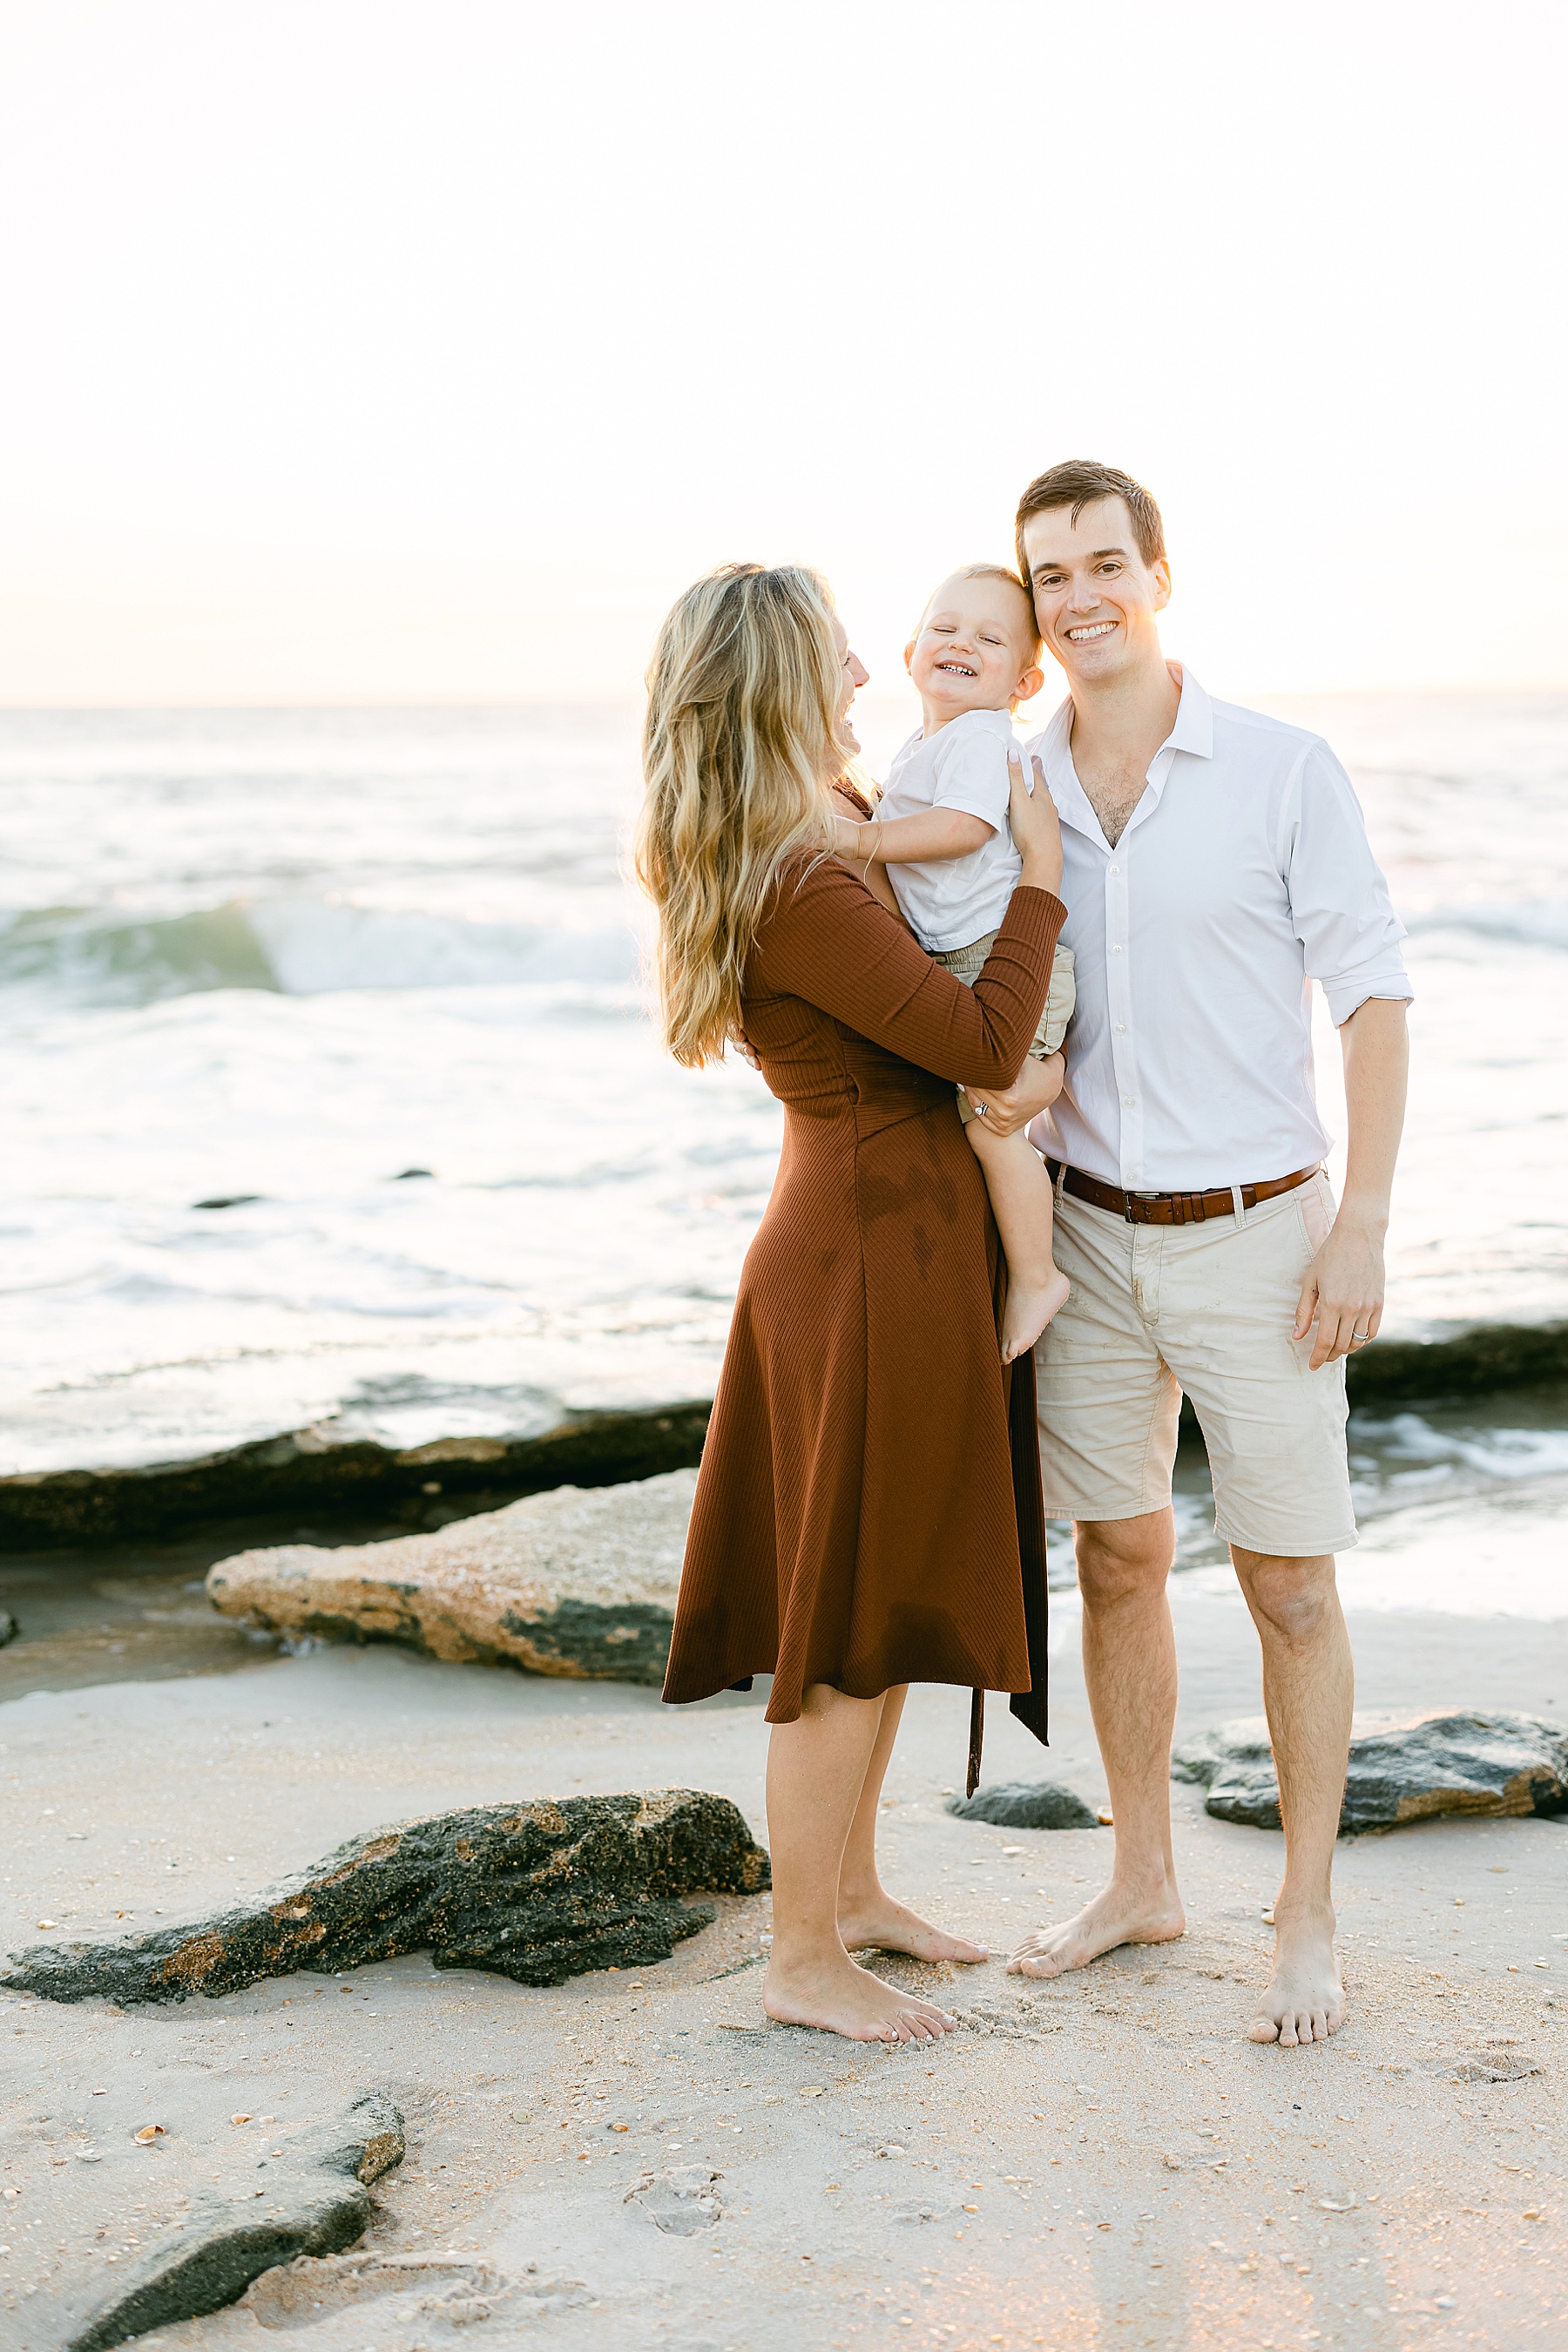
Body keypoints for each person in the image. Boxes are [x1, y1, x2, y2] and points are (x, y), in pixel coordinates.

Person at [1004, 460, 1411, 2050]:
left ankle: (1305, 1914)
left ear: (1160, 576)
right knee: (1116, 1564)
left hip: (1261, 1237)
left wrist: (1361, 1221)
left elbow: (1372, 1001)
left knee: (1290, 1583)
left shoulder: (1281, 769)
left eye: (1107, 562)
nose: (1082, 594)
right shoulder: (1014, 785)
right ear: (1032, 606)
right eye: (1051, 574)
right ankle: (1143, 1879)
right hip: (1088, 1234)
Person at [637, 561, 1067, 2045]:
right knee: (836, 1630)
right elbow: (981, 1034)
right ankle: (800, 1958)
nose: (867, 680)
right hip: (871, 1255)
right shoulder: (807, 876)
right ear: (773, 682)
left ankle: (857, 1896)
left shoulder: (815, 829)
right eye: (835, 657)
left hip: (877, 1235)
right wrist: (1046, 880)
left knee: (873, 1595)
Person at [832, 564, 1077, 1363]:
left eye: (990, 639)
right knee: (991, 1116)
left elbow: (966, 828)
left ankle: (1038, 1276)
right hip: (968, 957)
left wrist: (860, 839)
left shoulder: (979, 737)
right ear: (909, 653)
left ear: (1024, 682)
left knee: (992, 1128)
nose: (962, 645)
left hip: (1001, 954)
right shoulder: (923, 743)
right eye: (945, 629)